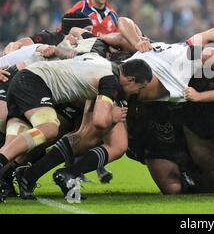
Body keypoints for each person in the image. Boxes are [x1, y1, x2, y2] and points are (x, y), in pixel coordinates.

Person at [0, 55, 152, 202]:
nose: (138, 92)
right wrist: (113, 116)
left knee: (12, 145)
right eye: (140, 87)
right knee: (49, 128)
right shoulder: (110, 81)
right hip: (35, 82)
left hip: (23, 79)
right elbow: (99, 121)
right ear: (130, 79)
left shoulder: (99, 60)